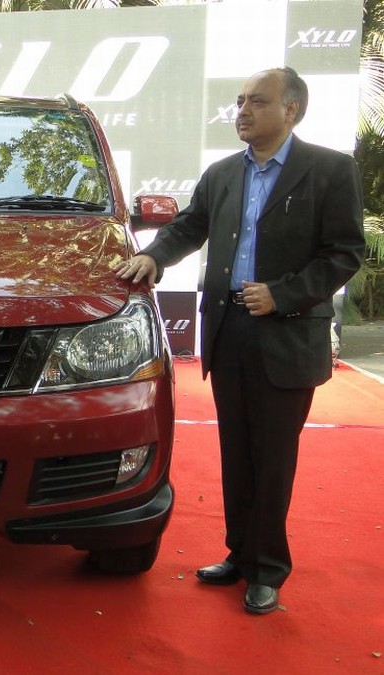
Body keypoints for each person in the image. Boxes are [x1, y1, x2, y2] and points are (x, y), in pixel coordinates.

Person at [116, 67, 365, 614]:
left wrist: (284, 294)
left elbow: (345, 253)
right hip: (229, 330)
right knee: (236, 452)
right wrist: (154, 256)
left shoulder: (329, 169)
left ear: (291, 110)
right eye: (240, 100)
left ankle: (267, 568)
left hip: (287, 335)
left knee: (272, 458)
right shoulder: (223, 172)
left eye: (257, 101)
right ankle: (240, 553)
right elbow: (189, 226)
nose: (243, 111)